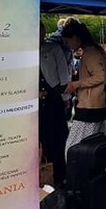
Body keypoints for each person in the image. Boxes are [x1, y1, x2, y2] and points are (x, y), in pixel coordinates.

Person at [61, 21, 106, 155]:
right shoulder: (96, 50)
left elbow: (99, 76)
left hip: (89, 106)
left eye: (68, 41)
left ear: (75, 38)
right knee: (95, 143)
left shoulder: (90, 54)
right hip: (99, 103)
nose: (67, 45)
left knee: (73, 146)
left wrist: (76, 84)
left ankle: (75, 173)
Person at [39, 22, 72, 186]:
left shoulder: (53, 49)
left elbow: (64, 75)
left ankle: (60, 174)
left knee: (57, 137)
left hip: (54, 97)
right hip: (35, 102)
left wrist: (65, 98)